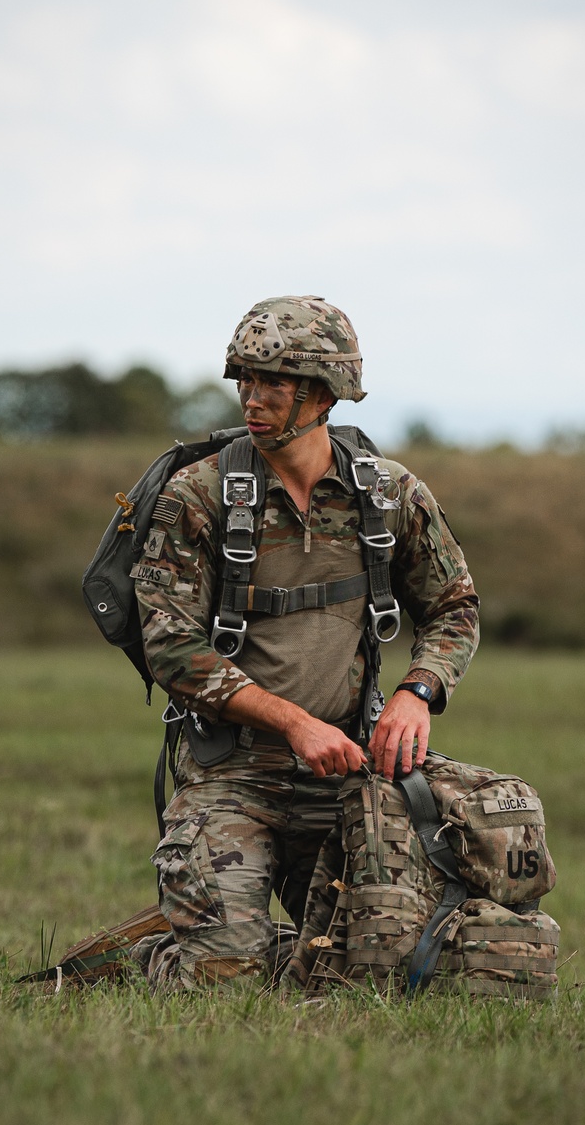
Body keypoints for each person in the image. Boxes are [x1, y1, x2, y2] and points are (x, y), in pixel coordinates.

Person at [133, 295, 479, 989]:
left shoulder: (388, 495)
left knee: (383, 973)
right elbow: (168, 647)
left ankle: (272, 943)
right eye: (245, 380)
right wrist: (294, 723)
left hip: (346, 775)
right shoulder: (197, 495)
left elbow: (454, 607)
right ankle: (147, 954)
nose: (252, 399)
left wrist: (418, 693)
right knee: (224, 977)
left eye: (274, 383)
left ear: (324, 394)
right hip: (231, 775)